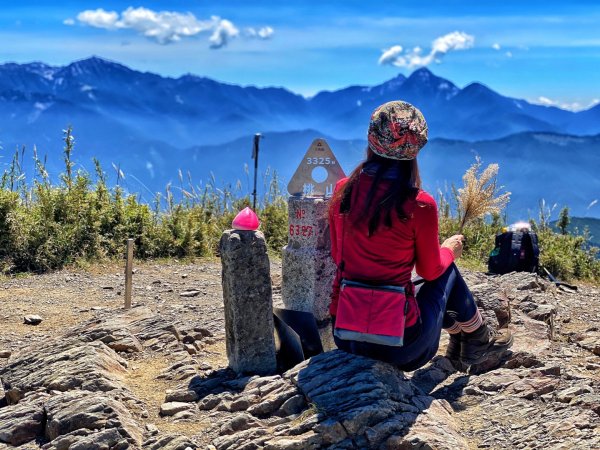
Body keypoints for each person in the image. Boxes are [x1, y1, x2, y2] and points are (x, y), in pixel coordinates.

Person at [328, 100, 512, 371]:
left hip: (345, 336)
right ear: (415, 149)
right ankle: (477, 337)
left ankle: (468, 337)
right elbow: (430, 268)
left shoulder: (344, 190)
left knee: (429, 277)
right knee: (447, 270)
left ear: (372, 139)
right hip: (403, 348)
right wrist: (449, 249)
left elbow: (337, 254)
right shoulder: (419, 204)